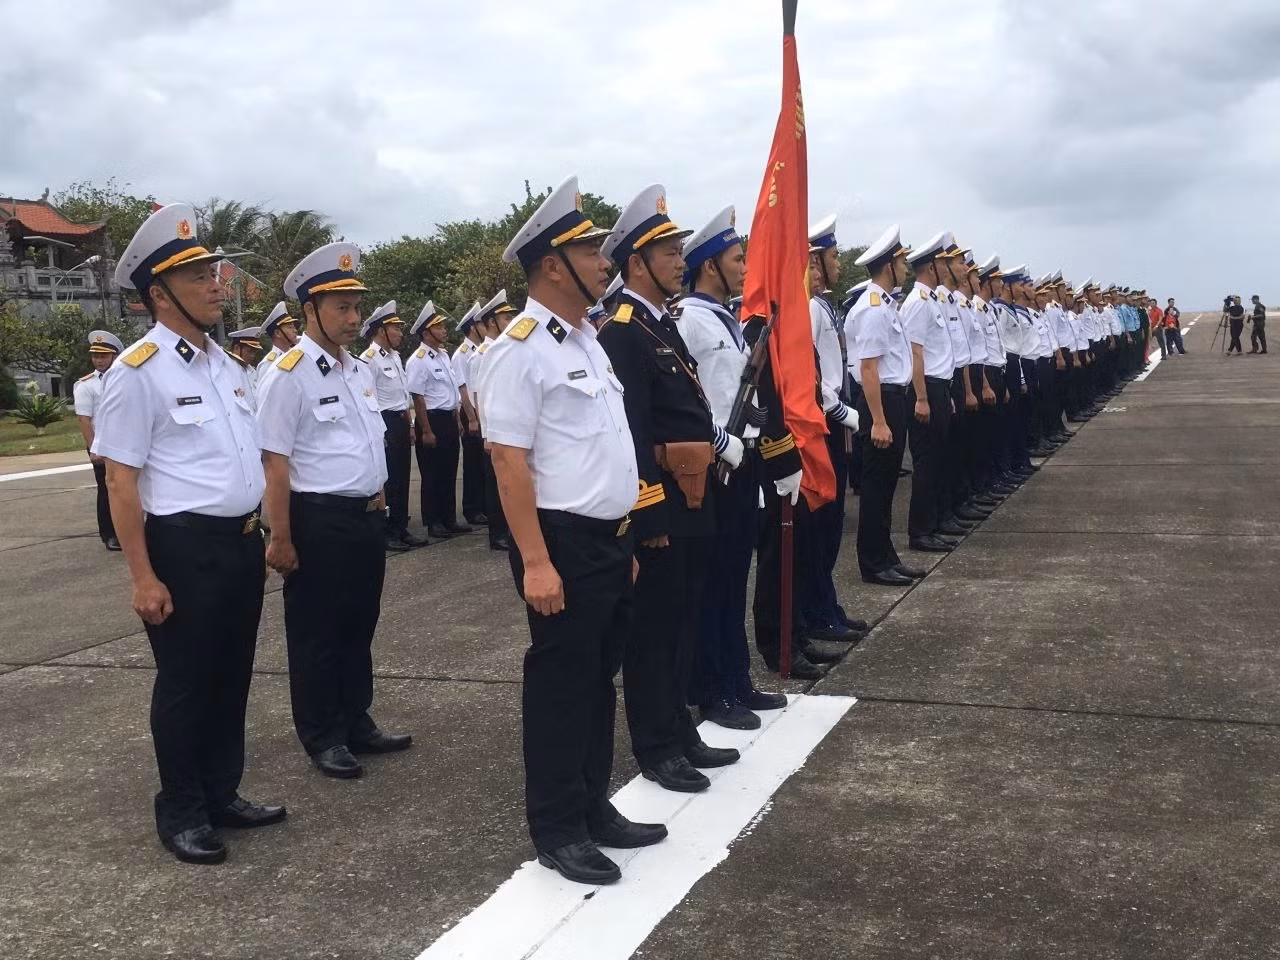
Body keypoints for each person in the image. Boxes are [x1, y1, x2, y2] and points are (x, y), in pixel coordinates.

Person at [487, 174, 666, 886]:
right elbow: (508, 462)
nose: (603, 261)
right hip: (560, 542)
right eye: (590, 251)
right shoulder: (519, 348)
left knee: (598, 680)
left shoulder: (588, 339)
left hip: (608, 540)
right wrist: (536, 561)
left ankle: (593, 806)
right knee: (563, 686)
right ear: (553, 266)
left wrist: (624, 536)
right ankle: (558, 828)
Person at [93, 203, 282, 865]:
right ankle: (181, 811)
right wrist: (142, 576)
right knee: (187, 682)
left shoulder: (226, 367)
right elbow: (120, 482)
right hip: (183, 548)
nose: (216, 285)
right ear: (158, 294)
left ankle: (221, 793)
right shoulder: (137, 371)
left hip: (239, 542)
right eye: (198, 276)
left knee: (231, 676)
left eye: (212, 273)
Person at [598, 183, 739, 795]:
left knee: (683, 619)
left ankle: (679, 730)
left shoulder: (663, 324)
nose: (682, 262)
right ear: (637, 264)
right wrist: (648, 514)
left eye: (680, 251)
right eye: (670, 253)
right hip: (663, 502)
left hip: (694, 491)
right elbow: (632, 430)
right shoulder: (622, 331)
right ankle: (657, 745)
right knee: (655, 632)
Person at [257, 241, 412, 781]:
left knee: (359, 622)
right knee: (318, 631)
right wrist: (280, 536)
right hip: (318, 519)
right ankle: (323, 733)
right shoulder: (288, 374)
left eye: (356, 307)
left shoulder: (358, 370)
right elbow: (274, 461)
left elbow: (366, 443)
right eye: (341, 307)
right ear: (310, 310)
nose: (353, 318)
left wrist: (381, 497)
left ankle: (355, 718)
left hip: (365, 516)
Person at [675, 205, 796, 728]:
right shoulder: (688, 321)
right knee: (714, 583)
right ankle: (712, 689)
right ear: (709, 266)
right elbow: (686, 398)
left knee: (734, 576)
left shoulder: (723, 319)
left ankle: (737, 678)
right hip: (715, 465)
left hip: (743, 461)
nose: (745, 268)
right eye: (736, 259)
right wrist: (721, 442)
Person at [845, 225, 923, 586]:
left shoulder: (886, 305)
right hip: (881, 402)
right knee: (876, 487)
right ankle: (873, 562)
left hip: (892, 398)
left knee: (887, 484)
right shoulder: (874, 308)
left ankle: (886, 556)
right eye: (902, 262)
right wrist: (877, 420)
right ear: (889, 266)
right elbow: (868, 368)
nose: (905, 268)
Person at [804, 215, 864, 643]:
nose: (838, 264)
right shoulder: (810, 307)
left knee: (832, 523)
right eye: (832, 257)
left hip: (836, 417)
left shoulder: (824, 305)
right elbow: (810, 371)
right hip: (825, 418)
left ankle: (827, 605)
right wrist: (840, 411)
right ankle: (818, 610)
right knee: (822, 524)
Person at [901, 233, 959, 554]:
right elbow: (915, 353)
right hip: (926, 388)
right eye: (942, 263)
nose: (947, 269)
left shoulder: (932, 300)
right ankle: (921, 531)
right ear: (931, 267)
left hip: (938, 386)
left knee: (938, 460)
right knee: (926, 463)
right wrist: (922, 398)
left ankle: (935, 524)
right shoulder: (917, 302)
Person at [359, 300, 425, 551]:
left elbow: (402, 395)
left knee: (403, 477)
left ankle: (400, 526)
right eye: (395, 328)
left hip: (400, 420)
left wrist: (410, 424)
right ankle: (388, 531)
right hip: (384, 422)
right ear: (381, 331)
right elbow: (370, 399)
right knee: (388, 480)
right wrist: (380, 432)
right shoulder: (369, 359)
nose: (399, 333)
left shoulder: (395, 356)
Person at [405, 301, 471, 539]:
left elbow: (451, 392)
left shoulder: (443, 355)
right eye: (439, 327)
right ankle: (433, 522)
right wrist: (426, 430)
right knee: (432, 474)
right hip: (432, 420)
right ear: (426, 333)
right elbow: (418, 397)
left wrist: (458, 420)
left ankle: (449, 518)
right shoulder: (418, 360)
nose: (444, 331)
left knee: (449, 471)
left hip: (449, 418)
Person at [471, 290, 520, 551]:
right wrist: (486, 434)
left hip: (509, 424)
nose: (510, 321)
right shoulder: (483, 354)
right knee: (495, 482)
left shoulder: (506, 349)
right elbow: (479, 395)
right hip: (493, 430)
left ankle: (509, 529)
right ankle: (497, 532)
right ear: (492, 322)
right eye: (505, 318)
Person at [74, 329, 124, 551]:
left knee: (130, 488)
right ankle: (109, 534)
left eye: (103, 356)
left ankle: (129, 530)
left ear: (114, 356)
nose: (99, 360)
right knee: (107, 490)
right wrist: (93, 448)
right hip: (101, 445)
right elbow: (84, 419)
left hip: (124, 442)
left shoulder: (123, 380)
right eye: (95, 356)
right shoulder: (86, 385)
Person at [452, 303, 487, 526]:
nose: (485, 328)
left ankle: (483, 505)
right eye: (482, 324)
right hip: (470, 412)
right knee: (473, 464)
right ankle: (472, 508)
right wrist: (472, 418)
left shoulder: (481, 350)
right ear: (473, 327)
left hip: (481, 411)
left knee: (483, 463)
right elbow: (463, 388)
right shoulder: (462, 354)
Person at [257, 301, 301, 376]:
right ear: (277, 333)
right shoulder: (269, 363)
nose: (295, 331)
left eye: (294, 327)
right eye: (290, 327)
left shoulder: (295, 354)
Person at [225, 327, 264, 409]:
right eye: (249, 351)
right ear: (236, 348)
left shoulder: (252, 371)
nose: (252, 356)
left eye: (254, 352)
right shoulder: (227, 370)